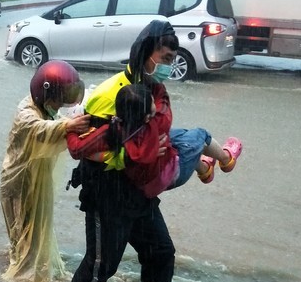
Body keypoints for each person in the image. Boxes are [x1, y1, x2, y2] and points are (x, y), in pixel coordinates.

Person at [65, 20, 186, 282]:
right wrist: (128, 157)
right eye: (165, 59)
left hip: (139, 192)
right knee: (102, 266)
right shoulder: (108, 94)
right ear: (146, 52)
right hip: (106, 192)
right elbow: (83, 146)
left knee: (161, 252)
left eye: (172, 59)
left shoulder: (155, 90)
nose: (169, 66)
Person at [0, 60, 90, 282]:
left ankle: (35, 276)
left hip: (39, 179)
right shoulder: (26, 114)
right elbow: (41, 128)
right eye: (57, 102)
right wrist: (68, 126)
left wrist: (72, 123)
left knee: (38, 233)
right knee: (22, 238)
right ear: (44, 92)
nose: (58, 108)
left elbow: (56, 123)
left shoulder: (44, 109)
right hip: (19, 185)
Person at [83, 83, 243, 198]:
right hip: (171, 175)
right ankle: (226, 160)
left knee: (179, 136)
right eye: (152, 102)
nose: (155, 103)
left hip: (145, 180)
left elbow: (78, 149)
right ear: (147, 117)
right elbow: (162, 96)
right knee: (200, 135)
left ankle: (205, 169)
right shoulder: (157, 124)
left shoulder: (116, 126)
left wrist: (69, 129)